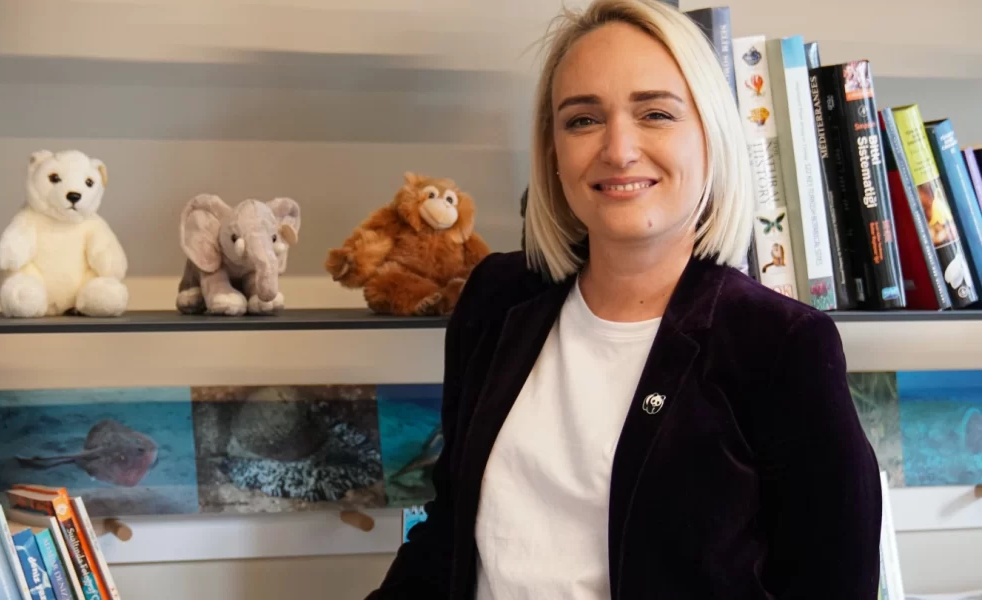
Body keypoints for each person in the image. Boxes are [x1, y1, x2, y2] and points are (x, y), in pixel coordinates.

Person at [365, 0, 882, 598]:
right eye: (583, 120)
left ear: (710, 138)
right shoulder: (495, 299)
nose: (618, 149)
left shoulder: (780, 345)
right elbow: (447, 535)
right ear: (553, 152)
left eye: (655, 113)